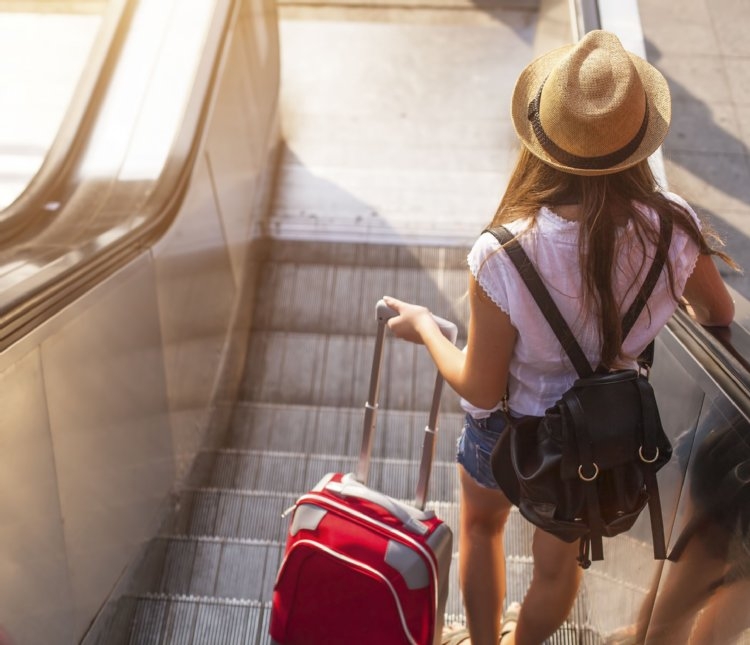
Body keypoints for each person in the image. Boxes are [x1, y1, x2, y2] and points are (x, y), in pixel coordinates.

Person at [383, 29, 737, 645]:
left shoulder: (503, 254)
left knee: (481, 531)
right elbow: (717, 310)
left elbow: (480, 384)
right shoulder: (673, 226)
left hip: (507, 433)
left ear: (543, 142)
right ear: (637, 140)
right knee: (558, 569)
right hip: (600, 441)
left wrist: (423, 328)